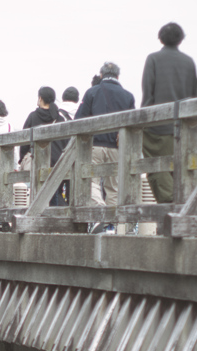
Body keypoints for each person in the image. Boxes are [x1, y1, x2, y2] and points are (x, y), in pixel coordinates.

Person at [141, 23, 197, 203]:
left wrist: (143, 123)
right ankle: (182, 204)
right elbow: (194, 95)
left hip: (158, 127)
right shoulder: (189, 62)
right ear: (181, 39)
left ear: (160, 38)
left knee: (157, 168)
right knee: (180, 171)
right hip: (183, 127)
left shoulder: (153, 59)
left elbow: (148, 94)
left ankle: (169, 205)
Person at [76, 61, 136, 230]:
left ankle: (101, 213)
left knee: (90, 182)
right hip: (117, 147)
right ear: (118, 76)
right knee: (114, 186)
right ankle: (114, 226)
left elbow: (79, 121)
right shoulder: (128, 96)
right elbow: (133, 124)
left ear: (101, 75)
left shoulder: (92, 92)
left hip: (95, 145)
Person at [20, 87, 70, 206]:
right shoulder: (59, 118)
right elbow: (66, 142)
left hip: (38, 162)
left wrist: (22, 158)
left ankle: (39, 216)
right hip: (56, 162)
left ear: (40, 98)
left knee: (38, 192)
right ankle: (54, 215)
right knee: (54, 192)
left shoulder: (33, 116)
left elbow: (24, 142)